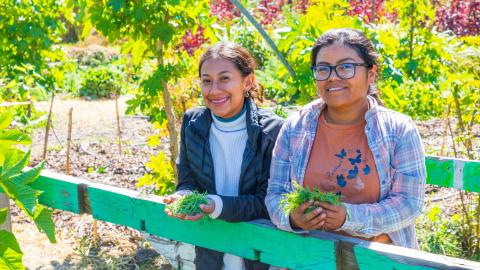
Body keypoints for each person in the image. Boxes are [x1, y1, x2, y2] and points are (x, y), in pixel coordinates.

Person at [266, 28, 426, 249]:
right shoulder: (296, 127)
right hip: (308, 258)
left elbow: (409, 204)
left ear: (371, 73)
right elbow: (276, 195)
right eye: (323, 69)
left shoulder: (398, 130)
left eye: (345, 67)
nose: (333, 76)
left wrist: (349, 217)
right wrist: (292, 218)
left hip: (377, 260)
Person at [163, 42, 284, 270]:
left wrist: (216, 204)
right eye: (207, 81)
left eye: (225, 78)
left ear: (247, 82)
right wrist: (184, 195)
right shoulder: (193, 123)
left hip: (258, 256)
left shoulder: (272, 131)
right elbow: (188, 180)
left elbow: (270, 202)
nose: (214, 90)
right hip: (211, 252)